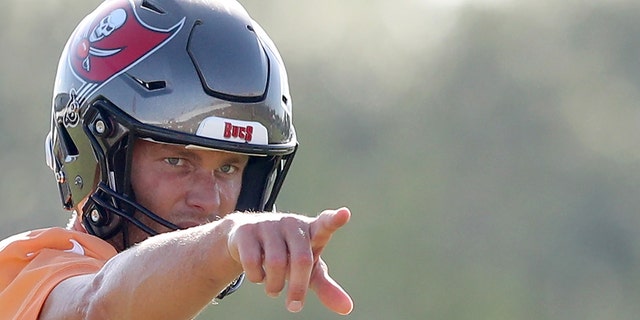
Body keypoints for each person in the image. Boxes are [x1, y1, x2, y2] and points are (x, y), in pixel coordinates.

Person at [0, 0, 354, 318]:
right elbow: (98, 308)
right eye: (177, 161)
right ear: (96, 157)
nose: (209, 201)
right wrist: (225, 238)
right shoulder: (20, 273)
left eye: (228, 167)